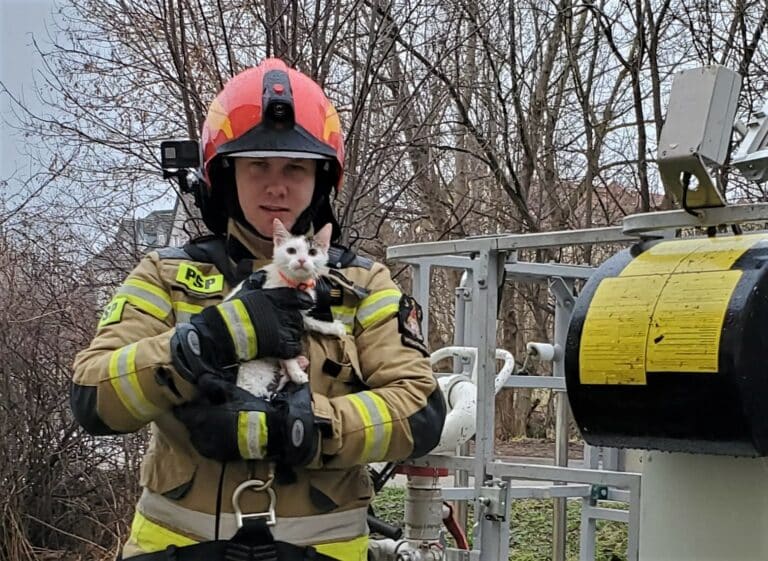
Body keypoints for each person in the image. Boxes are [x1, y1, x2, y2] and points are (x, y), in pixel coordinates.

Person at [71, 58, 446, 561]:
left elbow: (419, 411)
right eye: (257, 165)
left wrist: (314, 427)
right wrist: (199, 345)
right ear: (224, 176)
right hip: (177, 549)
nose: (277, 185)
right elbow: (93, 400)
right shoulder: (163, 276)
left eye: (295, 167)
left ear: (321, 179)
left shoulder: (362, 284)